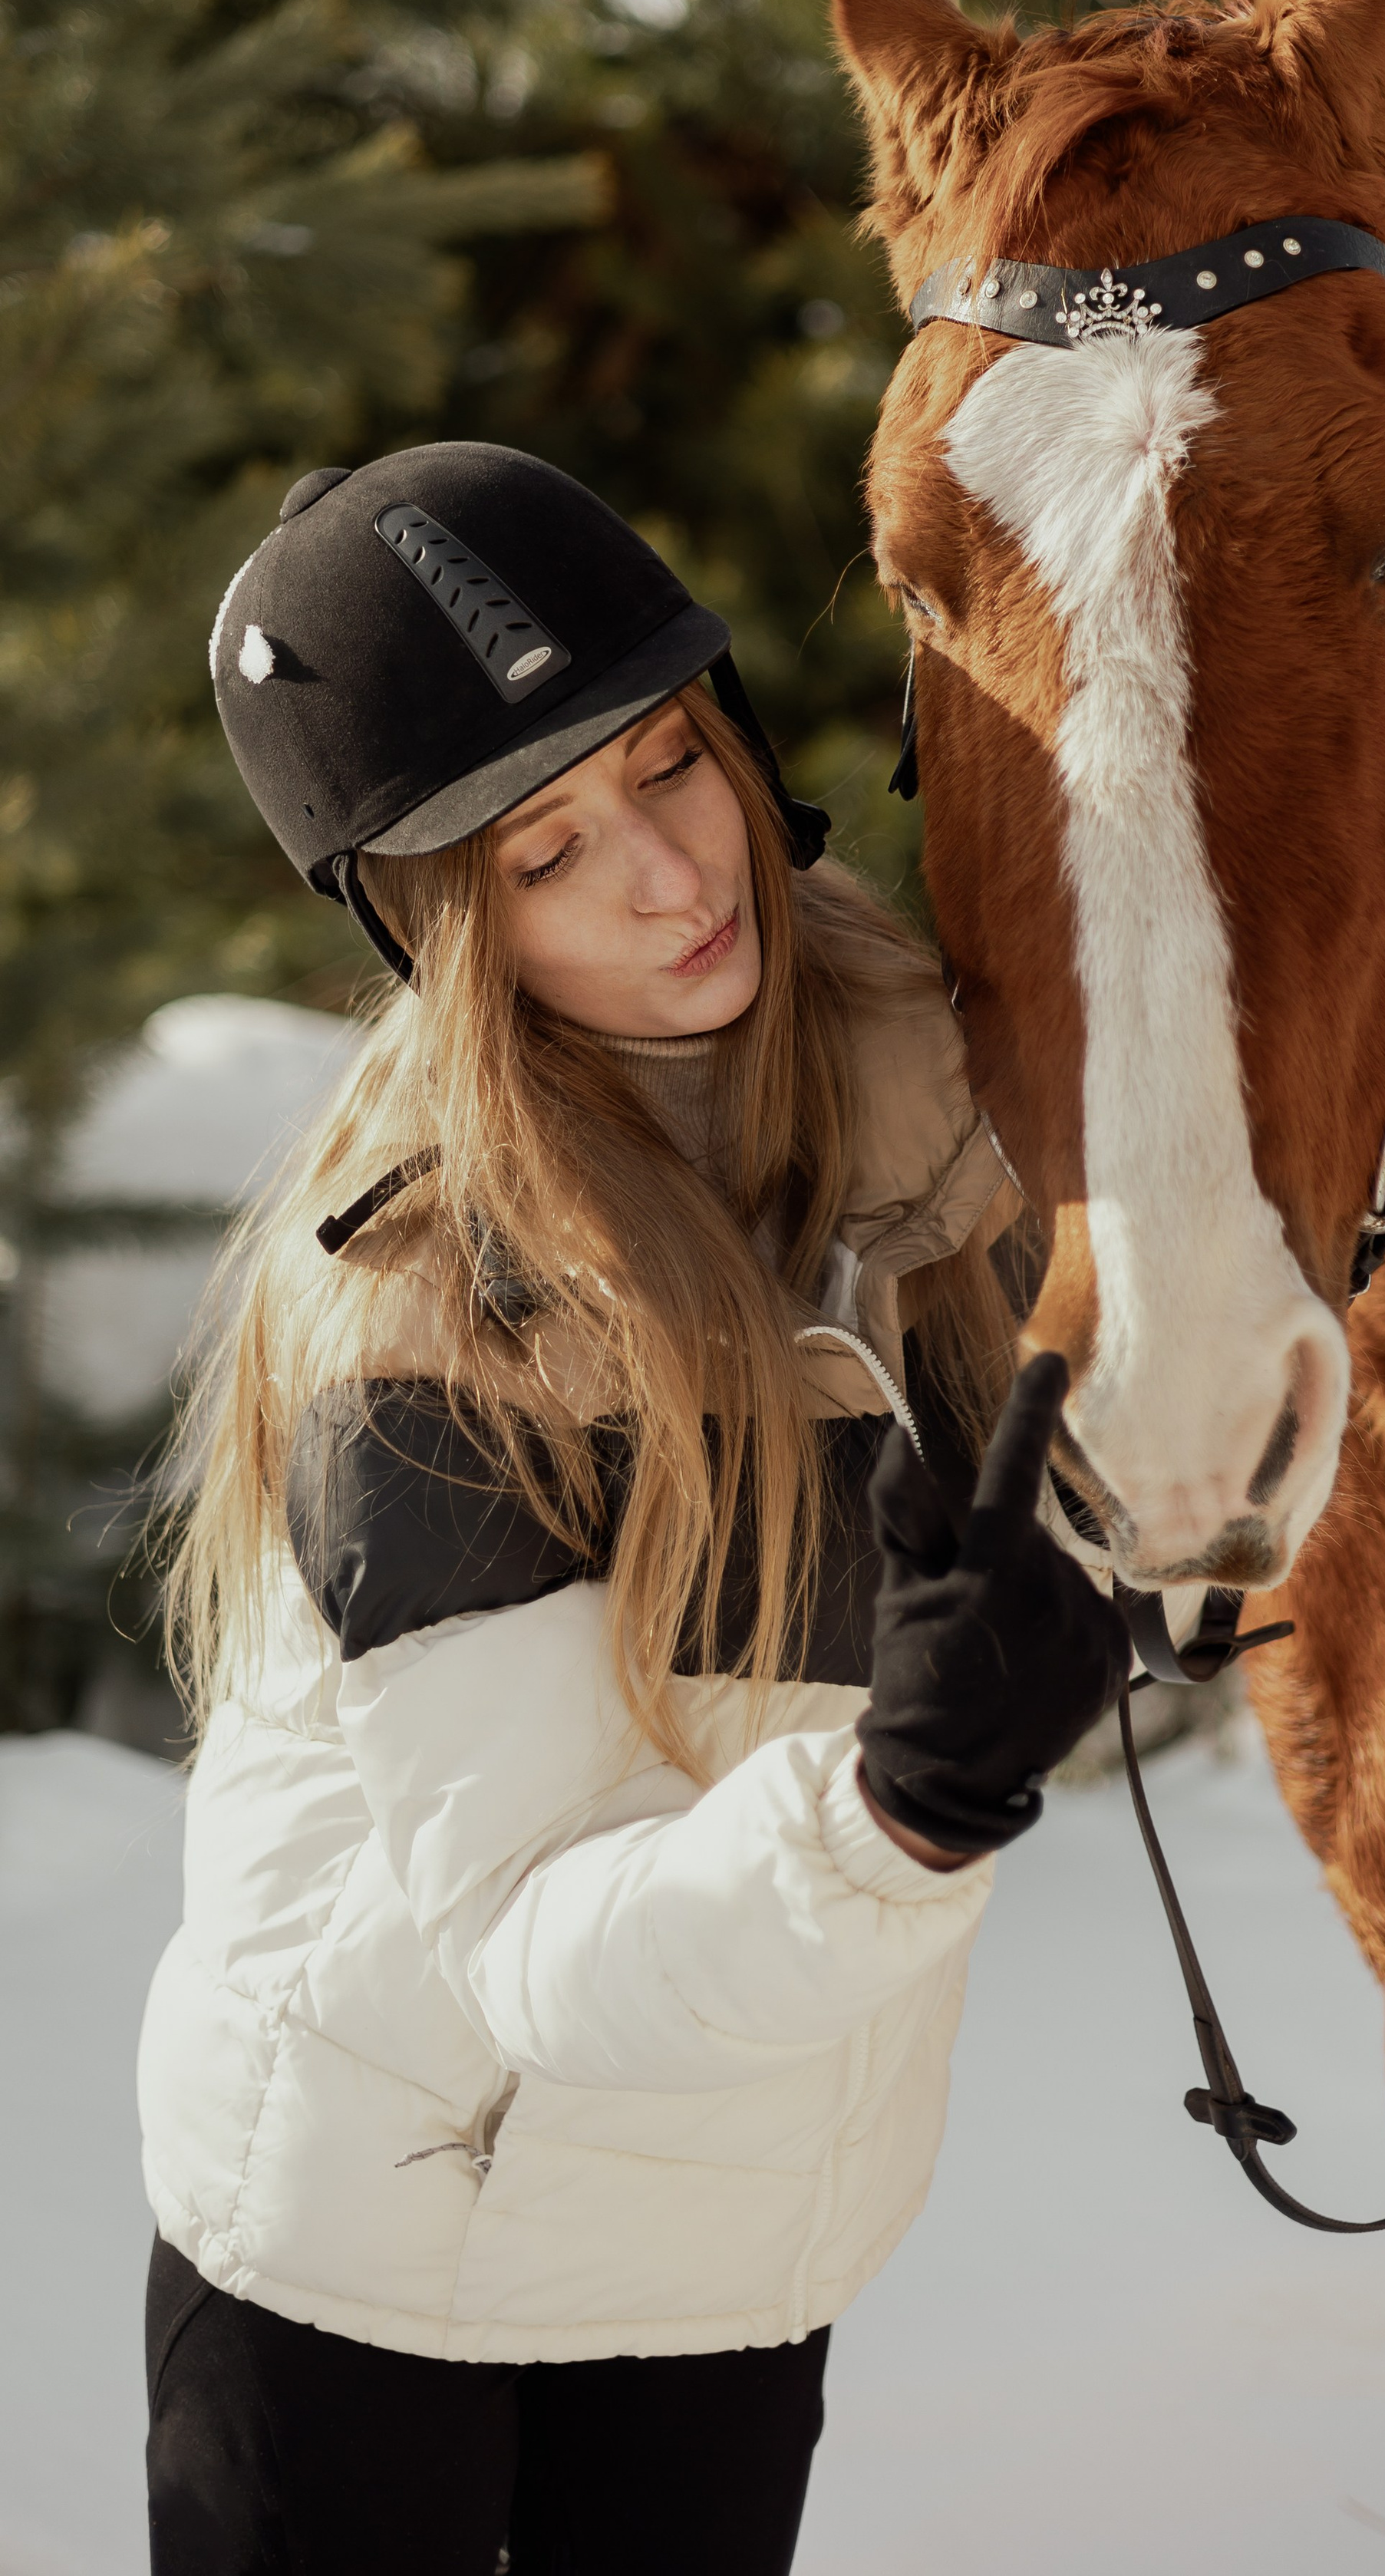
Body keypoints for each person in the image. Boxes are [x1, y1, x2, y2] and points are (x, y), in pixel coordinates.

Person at [137, 443, 1129, 2575]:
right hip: (372, 2263)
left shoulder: (940, 1108)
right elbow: (532, 1954)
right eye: (541, 853)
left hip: (734, 2243)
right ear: (441, 929)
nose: (670, 881)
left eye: (668, 766)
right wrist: (904, 1806)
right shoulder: (423, 1312)